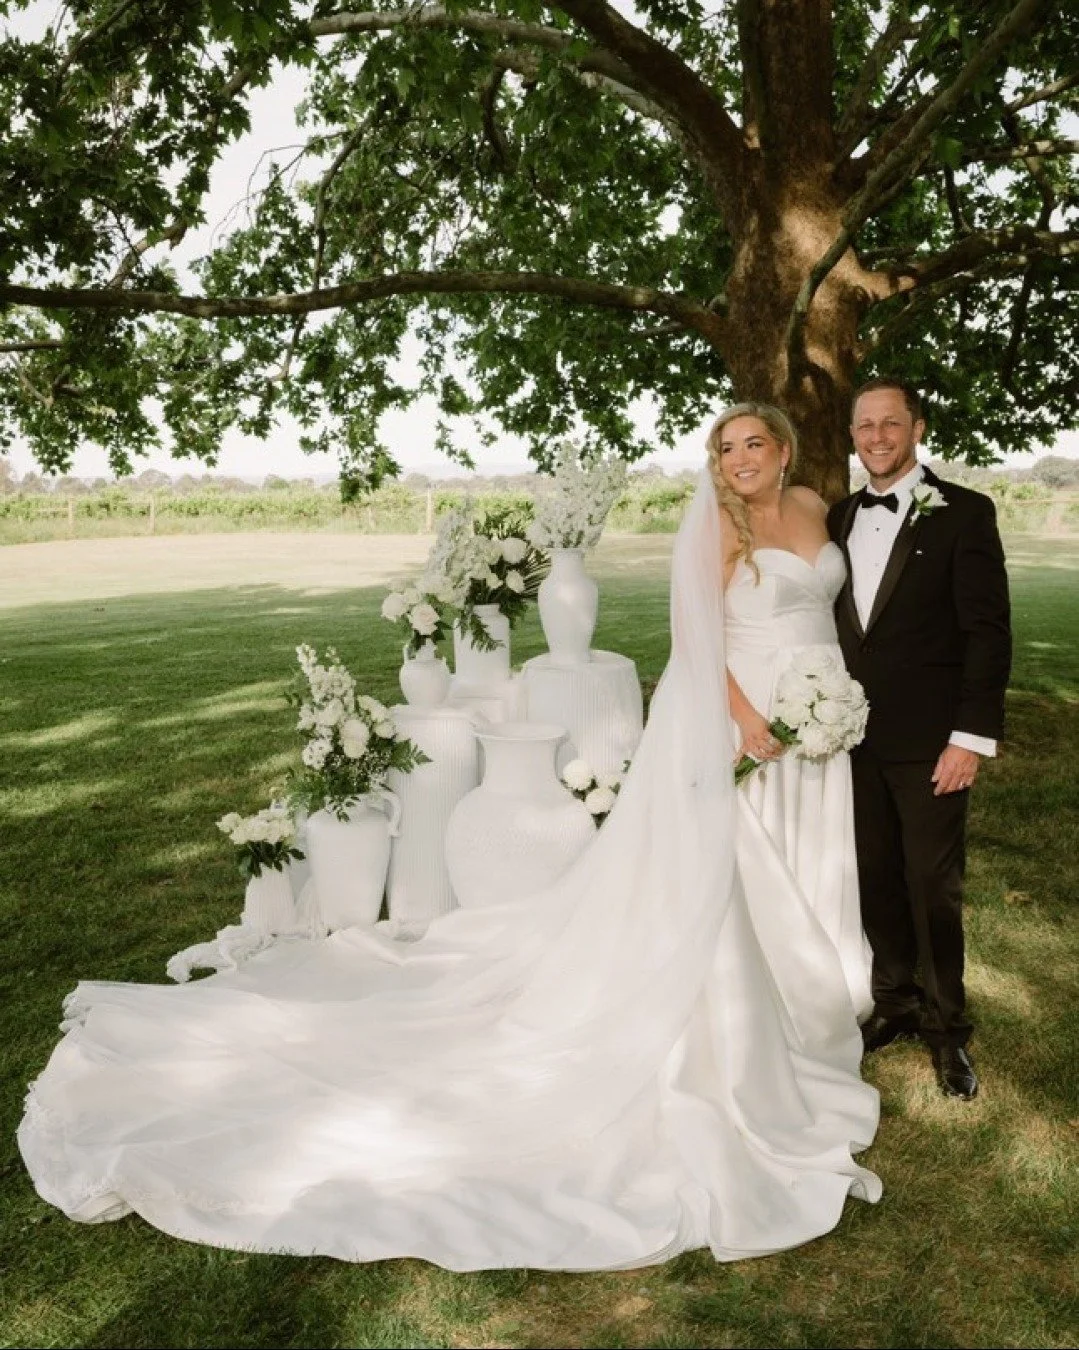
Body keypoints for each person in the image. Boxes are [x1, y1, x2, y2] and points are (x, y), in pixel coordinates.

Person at [19, 409, 880, 1271]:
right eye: (725, 448)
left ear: (783, 451)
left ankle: (811, 990)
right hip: (739, 723)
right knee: (728, 868)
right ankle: (750, 1027)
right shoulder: (716, 529)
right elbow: (697, 639)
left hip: (813, 712)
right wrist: (750, 719)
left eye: (753, 444)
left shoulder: (815, 507)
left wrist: (821, 699)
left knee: (800, 849)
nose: (738, 459)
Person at [827, 378, 1012, 1101]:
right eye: (864, 425)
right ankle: (895, 1002)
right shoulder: (839, 516)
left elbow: (987, 633)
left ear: (917, 428)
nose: (877, 436)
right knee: (874, 877)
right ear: (852, 435)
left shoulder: (965, 512)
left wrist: (969, 737)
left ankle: (946, 1029)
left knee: (931, 885)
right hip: (849, 738)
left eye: (891, 423)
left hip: (933, 740)